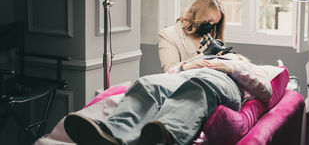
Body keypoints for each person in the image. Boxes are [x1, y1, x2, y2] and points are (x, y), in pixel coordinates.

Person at [63, 53, 274, 145]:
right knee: (148, 83)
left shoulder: (243, 65)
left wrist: (232, 67)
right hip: (186, 76)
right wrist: (185, 66)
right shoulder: (203, 59)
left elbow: (266, 91)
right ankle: (112, 135)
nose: (221, 54)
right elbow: (170, 74)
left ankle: (163, 137)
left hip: (221, 83)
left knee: (197, 89)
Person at [158, 0, 226, 73]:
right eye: (209, 21)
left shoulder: (208, 38)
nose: (210, 26)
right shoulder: (168, 35)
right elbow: (169, 70)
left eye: (214, 24)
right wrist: (204, 55)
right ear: (197, 14)